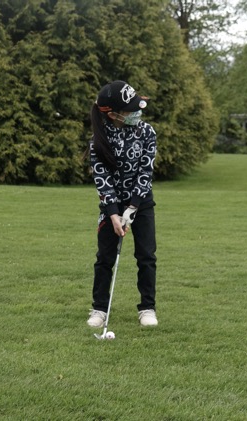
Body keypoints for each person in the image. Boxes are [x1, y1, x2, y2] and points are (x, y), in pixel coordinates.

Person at [86, 80, 159, 328]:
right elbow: (102, 179)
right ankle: (99, 309)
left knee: (146, 256)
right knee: (105, 258)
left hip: (142, 203)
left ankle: (147, 308)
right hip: (112, 206)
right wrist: (113, 213)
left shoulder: (147, 132)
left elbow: (145, 172)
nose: (137, 112)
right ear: (113, 114)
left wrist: (133, 207)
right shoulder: (98, 140)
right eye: (130, 110)